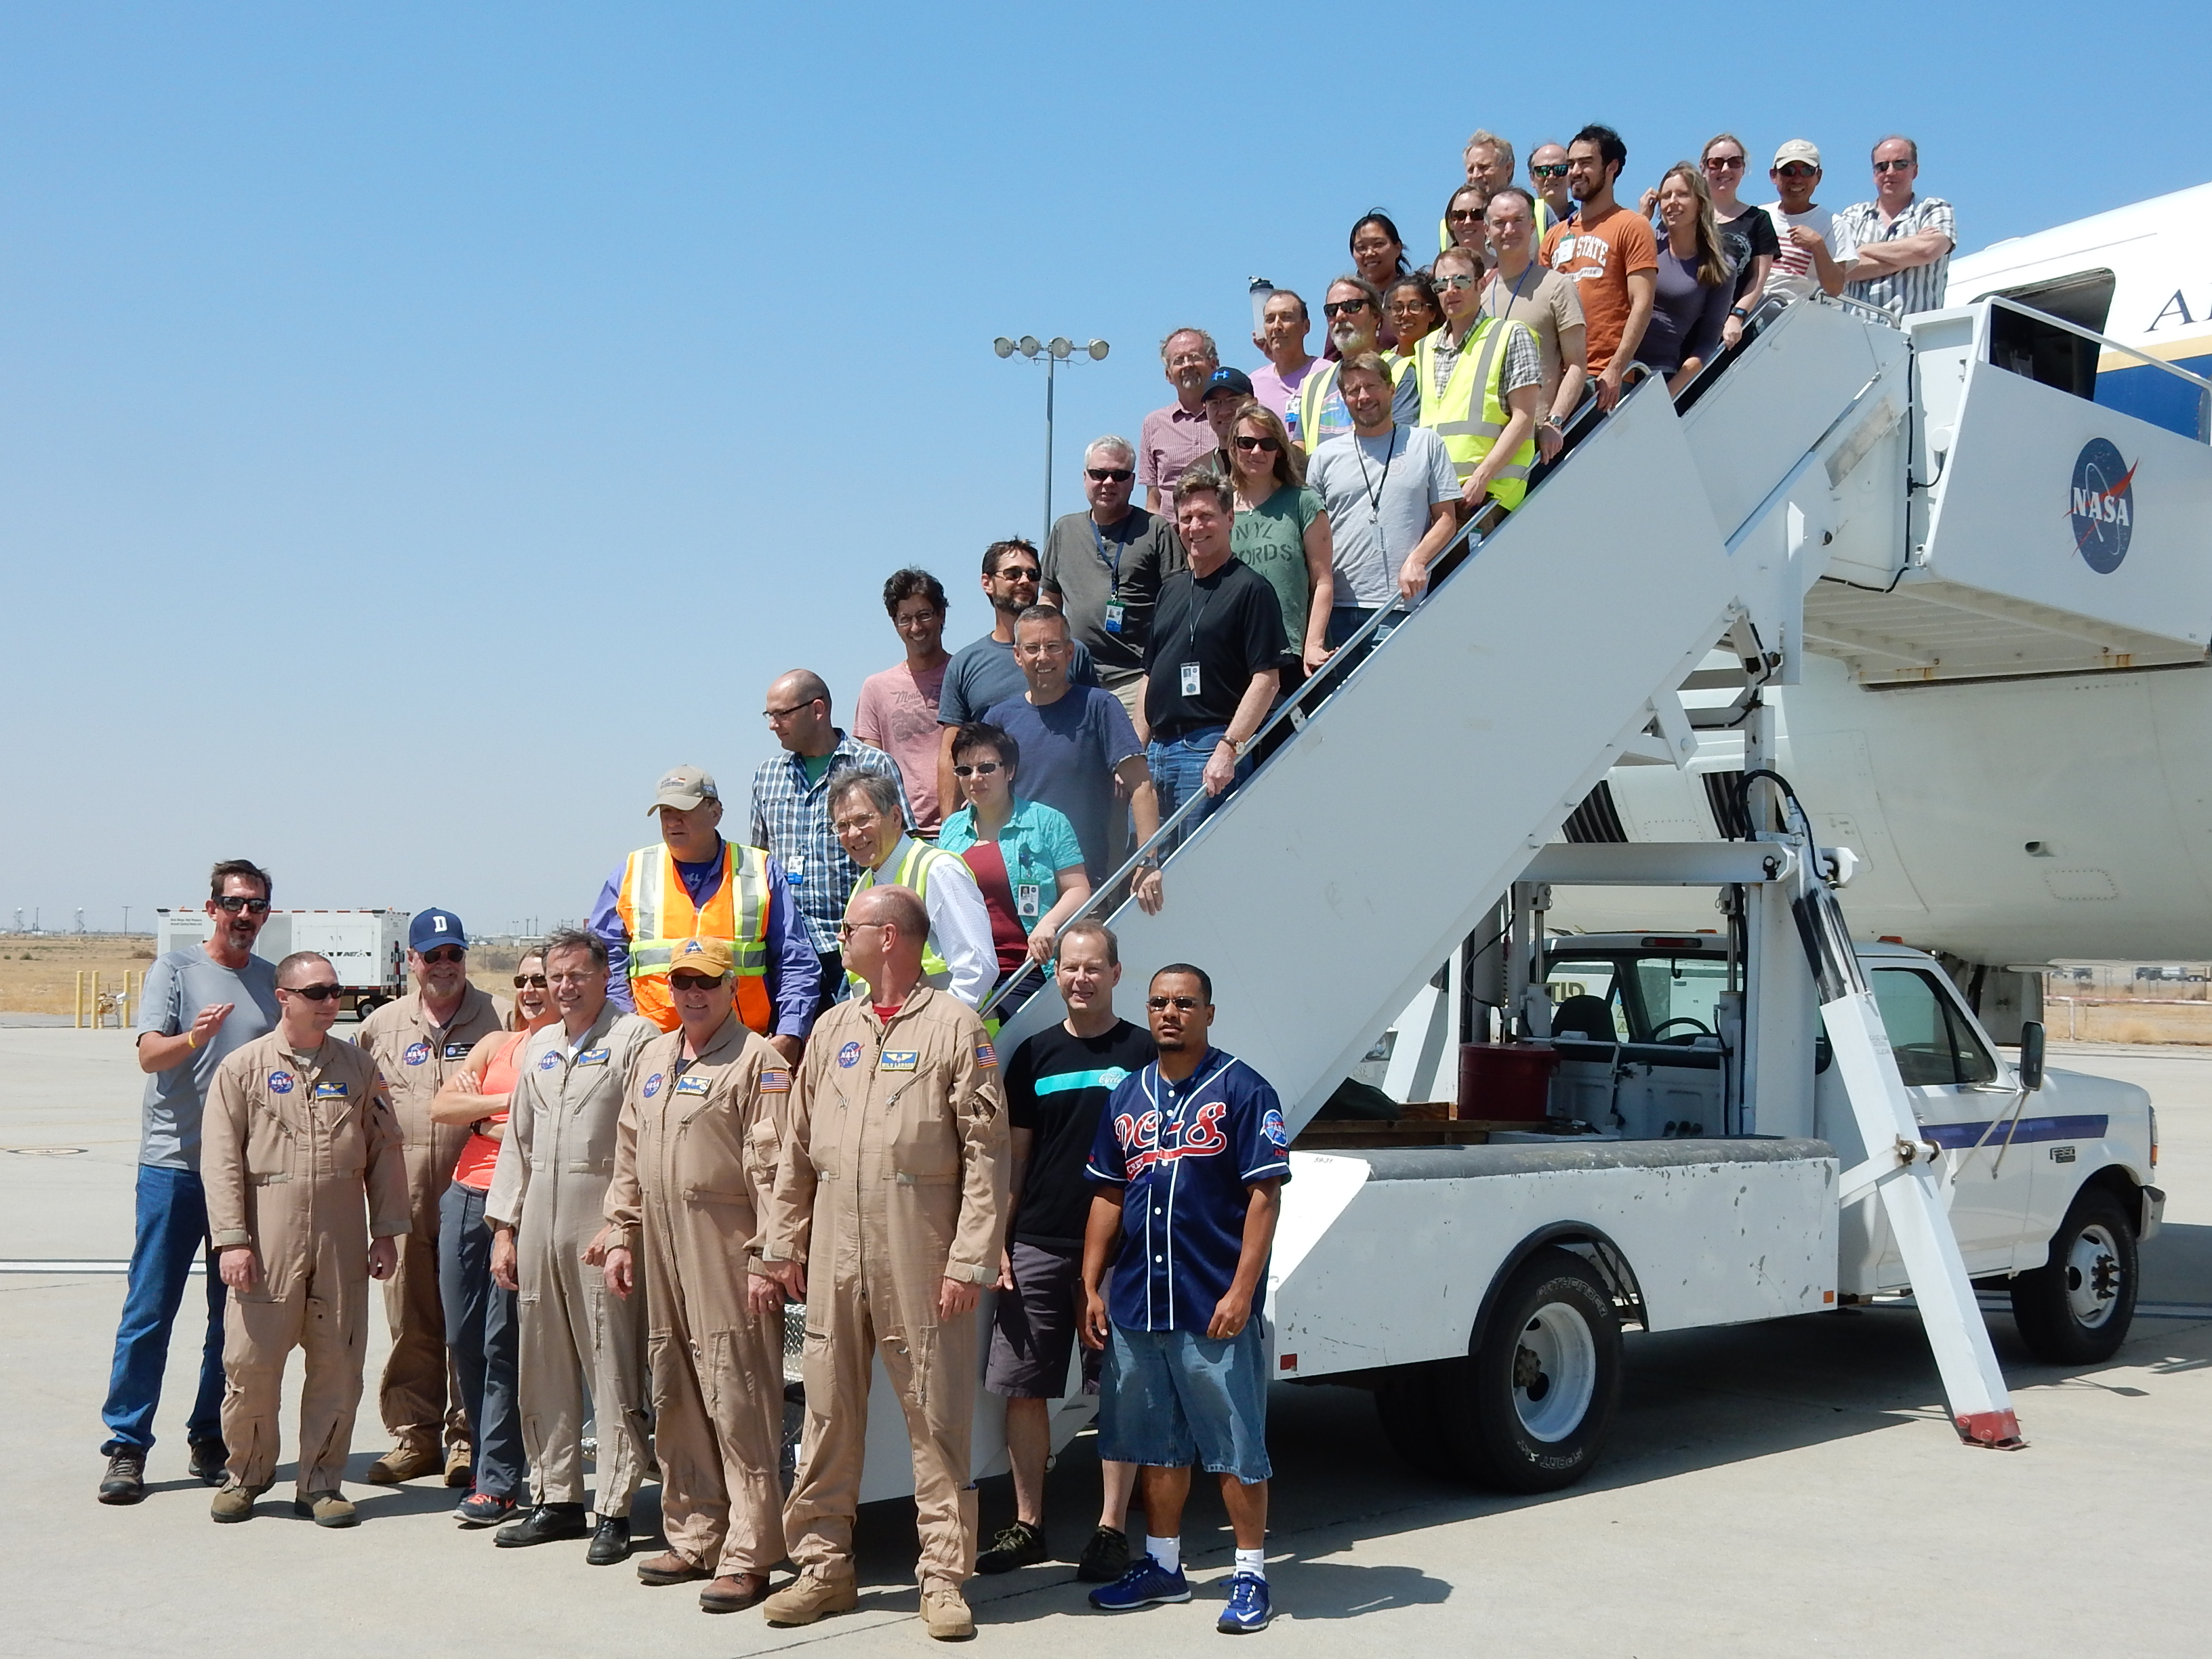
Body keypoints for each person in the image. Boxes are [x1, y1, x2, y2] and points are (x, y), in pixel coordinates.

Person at [752, 882, 1009, 1641]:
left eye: (852, 928)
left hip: (920, 1252)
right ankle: (825, 1570)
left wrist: (970, 1261)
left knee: (935, 1418)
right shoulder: (834, 1029)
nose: (842, 939)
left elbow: (987, 1155)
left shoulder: (956, 1028)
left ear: (890, 937)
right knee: (828, 1414)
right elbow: (796, 1150)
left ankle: (941, 1577)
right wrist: (781, 1246)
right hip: (835, 1249)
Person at [1081, 964, 1289, 1634]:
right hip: (1141, 1303)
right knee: (1155, 1446)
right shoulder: (1127, 1096)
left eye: (1185, 1003)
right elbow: (1109, 1194)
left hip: (1211, 1305)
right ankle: (1165, 1567)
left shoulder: (1245, 1089)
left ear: (1209, 1012)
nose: (1171, 1013)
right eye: (1160, 1003)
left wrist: (1242, 1289)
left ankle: (1251, 1573)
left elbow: (1264, 1196)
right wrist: (1091, 1283)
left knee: (1234, 1448)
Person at [600, 938, 792, 1615]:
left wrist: (772, 1254)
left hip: (726, 1242)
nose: (692, 994)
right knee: (675, 1386)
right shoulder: (655, 1055)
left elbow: (775, 1169)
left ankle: (750, 1551)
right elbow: (628, 1152)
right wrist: (622, 1234)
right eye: (681, 982)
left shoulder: (757, 1060)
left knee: (737, 1395)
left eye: (706, 982)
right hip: (660, 1240)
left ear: (731, 985)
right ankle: (695, 1532)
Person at [202, 950, 409, 1528]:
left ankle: (321, 1483)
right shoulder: (242, 1069)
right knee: (250, 1364)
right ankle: (246, 1475)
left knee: (337, 1364)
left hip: (340, 1238)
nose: (328, 1003)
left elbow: (384, 1152)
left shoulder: (359, 1068)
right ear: (283, 998)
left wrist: (387, 1232)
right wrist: (232, 1240)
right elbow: (220, 1162)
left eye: (334, 992)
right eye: (315, 992)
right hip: (266, 1238)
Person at [98, 859, 282, 1506]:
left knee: (229, 1316)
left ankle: (210, 1435)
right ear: (210, 908)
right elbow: (149, 1055)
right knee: (150, 1309)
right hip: (174, 1168)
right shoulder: (174, 972)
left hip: (242, 1177)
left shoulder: (269, 983)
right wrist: (193, 1038)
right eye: (234, 903)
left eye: (256, 906)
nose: (244, 916)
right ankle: (126, 1445)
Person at [974, 920, 1150, 1580]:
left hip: (1122, 1252)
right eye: (1069, 968)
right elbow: (1015, 1162)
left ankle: (1109, 1530)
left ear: (1114, 974)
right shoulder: (1034, 1055)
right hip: (1040, 1244)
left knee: (1121, 1389)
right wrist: (1001, 1240)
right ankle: (1029, 1526)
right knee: (1023, 1388)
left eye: (1092, 968)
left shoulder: (1143, 1054)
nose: (1079, 978)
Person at [484, 929, 659, 1565]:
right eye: (555, 976)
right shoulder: (541, 1046)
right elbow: (517, 1144)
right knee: (543, 1362)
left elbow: (643, 1139)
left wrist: (624, 1224)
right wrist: (504, 1228)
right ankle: (555, 1497)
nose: (563, 987)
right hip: (539, 1221)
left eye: (577, 975)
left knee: (611, 1364)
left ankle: (615, 1506)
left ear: (603, 975)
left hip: (599, 1222)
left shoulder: (634, 1039)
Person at [352, 907, 509, 1489]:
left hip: (476, 1197)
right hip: (406, 1196)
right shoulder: (382, 1027)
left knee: (470, 1324)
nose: (445, 965)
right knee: (411, 1319)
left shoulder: (497, 1017)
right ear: (411, 961)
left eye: (455, 954)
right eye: (433, 955)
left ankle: (467, 1437)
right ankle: (414, 1436)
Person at [427, 948, 557, 1528]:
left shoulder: (567, 1047)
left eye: (543, 981)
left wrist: (489, 1116)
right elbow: (443, 1106)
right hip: (465, 1197)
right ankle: (485, 1460)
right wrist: (500, 1106)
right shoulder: (496, 1045)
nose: (531, 990)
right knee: (464, 1337)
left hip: (522, 1207)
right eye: (524, 981)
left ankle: (501, 1479)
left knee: (504, 1342)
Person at [592, 764, 817, 1059]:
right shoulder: (632, 872)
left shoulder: (760, 870)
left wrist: (790, 1034)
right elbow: (602, 961)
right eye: (665, 813)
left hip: (745, 1050)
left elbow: (796, 960)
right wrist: (627, 1027)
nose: (673, 821)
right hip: (651, 1050)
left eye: (683, 811)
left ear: (715, 812)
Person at [1137, 467, 1286, 841]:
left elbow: (1267, 680)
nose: (1195, 526)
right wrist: (1133, 752)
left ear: (1230, 518)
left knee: (1201, 865)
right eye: (1186, 518)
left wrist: (1229, 748)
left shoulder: (1252, 589)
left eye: (1206, 516)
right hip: (1157, 752)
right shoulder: (1169, 591)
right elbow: (1149, 675)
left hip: (1208, 750)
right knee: (1147, 878)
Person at [750, 669, 909, 1010]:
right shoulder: (767, 777)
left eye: (782, 714)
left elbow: (900, 855)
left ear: (817, 709)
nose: (773, 724)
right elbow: (759, 862)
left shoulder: (873, 764)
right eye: (769, 715)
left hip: (852, 948)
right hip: (787, 952)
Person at [981, 605, 1164, 894]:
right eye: (1032, 648)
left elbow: (1142, 785)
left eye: (1053, 646)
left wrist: (1147, 861)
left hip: (1085, 884)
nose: (1043, 657)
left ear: (1070, 653)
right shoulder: (998, 719)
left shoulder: (1100, 707)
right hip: (1017, 883)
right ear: (1018, 656)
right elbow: (980, 801)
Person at [937, 539, 1101, 816]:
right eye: (1013, 574)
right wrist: (951, 830)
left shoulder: (1073, 653)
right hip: (996, 823)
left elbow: (1097, 733)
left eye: (1032, 574)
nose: (1025, 581)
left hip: (1073, 818)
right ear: (987, 583)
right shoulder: (965, 664)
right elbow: (950, 754)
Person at [1307, 354, 1458, 641]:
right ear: (1343, 398)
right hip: (1337, 612)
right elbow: (1313, 536)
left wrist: (1418, 560)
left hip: (1400, 608)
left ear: (1391, 389)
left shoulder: (1426, 444)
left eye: (1371, 386)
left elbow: (1447, 520)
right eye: (1353, 391)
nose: (1363, 397)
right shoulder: (1324, 457)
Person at [935, 722, 1092, 994]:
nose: (974, 778)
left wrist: (1048, 925)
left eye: (986, 768)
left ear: (1010, 771)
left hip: (1027, 968)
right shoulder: (950, 830)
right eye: (964, 770)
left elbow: (1078, 890)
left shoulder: (1048, 821)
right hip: (963, 971)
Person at [829, 769, 996, 1008]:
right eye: (843, 826)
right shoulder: (861, 891)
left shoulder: (939, 869)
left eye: (862, 819)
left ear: (896, 817)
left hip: (947, 1039)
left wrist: (941, 1028)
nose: (853, 833)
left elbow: (977, 969)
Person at [1041, 441, 1183, 720]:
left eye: (1118, 475)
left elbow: (1179, 603)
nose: (1108, 482)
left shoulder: (1156, 530)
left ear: (1131, 482)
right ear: (1084, 479)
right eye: (1098, 474)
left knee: (1132, 762)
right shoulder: (1064, 529)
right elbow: (1049, 600)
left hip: (1137, 680)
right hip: (1076, 681)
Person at [1541, 123, 1659, 411]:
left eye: (1586, 163)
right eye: (1571, 164)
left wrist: (1617, 368)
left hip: (1604, 381)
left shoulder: (1632, 225)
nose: (1576, 172)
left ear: (1611, 167)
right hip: (1556, 382)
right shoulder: (1554, 236)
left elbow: (1642, 303)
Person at [1418, 245, 1543, 514]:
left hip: (1490, 496)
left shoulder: (1512, 335)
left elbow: (1523, 418)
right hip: (1437, 497)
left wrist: (1482, 477)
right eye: (1441, 284)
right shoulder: (1424, 348)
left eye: (1461, 281)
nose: (1450, 290)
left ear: (1482, 283)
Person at [1226, 399, 1333, 686]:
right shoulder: (1217, 505)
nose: (1257, 451)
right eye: (1247, 443)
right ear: (1233, 447)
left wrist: (1313, 645)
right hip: (1229, 655)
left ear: (1280, 451)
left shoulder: (1303, 502)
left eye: (1268, 444)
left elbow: (1322, 581)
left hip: (1287, 656)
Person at [1482, 188, 1589, 461]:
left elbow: (1576, 364)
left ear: (1532, 227)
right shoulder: (1479, 297)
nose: (1509, 229)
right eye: (1499, 223)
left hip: (1538, 442)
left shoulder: (1557, 286)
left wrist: (1555, 421)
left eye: (1518, 221)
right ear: (1487, 230)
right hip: (1489, 445)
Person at [855, 568, 954, 834]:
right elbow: (870, 771)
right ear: (895, 623)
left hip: (963, 829)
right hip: (902, 834)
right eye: (905, 619)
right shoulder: (876, 688)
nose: (916, 628)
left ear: (941, 615)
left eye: (924, 615)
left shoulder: (965, 675)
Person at [1295, 276, 1420, 455]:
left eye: (1352, 307)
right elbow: (1300, 450)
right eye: (1331, 310)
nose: (1339, 316)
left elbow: (1406, 446)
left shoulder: (1402, 371)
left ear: (1377, 316)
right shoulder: (1314, 385)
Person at [1639, 162, 1734, 395]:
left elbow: (1707, 343)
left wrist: (1670, 391)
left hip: (1658, 376)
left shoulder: (1720, 266)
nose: (1673, 202)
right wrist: (1641, 220)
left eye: (1682, 195)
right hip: (1613, 364)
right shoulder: (1644, 243)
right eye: (1666, 195)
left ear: (1700, 203)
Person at [1833, 136, 1955, 319]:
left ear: (1915, 170)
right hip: (1857, 338)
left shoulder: (1935, 209)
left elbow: (1927, 250)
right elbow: (1842, 268)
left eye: (1900, 164)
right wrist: (1908, 256)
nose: (1890, 172)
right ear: (1874, 174)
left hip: (1914, 340)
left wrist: (1864, 250)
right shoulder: (1853, 215)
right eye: (1882, 166)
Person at [1700, 132, 1779, 349]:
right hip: (1682, 327)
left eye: (1734, 162)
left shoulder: (1758, 220)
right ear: (1703, 168)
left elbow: (1758, 280)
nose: (1725, 170)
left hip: (1728, 334)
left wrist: (1737, 317)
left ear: (1743, 169)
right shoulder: (1688, 216)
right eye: (1716, 163)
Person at [1139, 328, 1223, 518]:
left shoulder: (1230, 419)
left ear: (1214, 364)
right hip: (1171, 538)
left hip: (1223, 535)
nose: (1187, 365)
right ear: (1168, 375)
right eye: (1179, 360)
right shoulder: (1153, 424)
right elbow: (1153, 501)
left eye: (1194, 357)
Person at [1761, 140, 1848, 304]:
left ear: (1818, 176)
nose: (1797, 179)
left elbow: (1835, 289)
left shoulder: (1833, 224)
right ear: (1774, 176)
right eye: (1789, 171)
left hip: (1799, 318)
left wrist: (1817, 246)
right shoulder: (1759, 217)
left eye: (1807, 171)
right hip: (1752, 313)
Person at [1247, 289, 1323, 446]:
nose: (1277, 326)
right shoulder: (1253, 384)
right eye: (1270, 319)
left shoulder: (1328, 374)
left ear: (1306, 327)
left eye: (1286, 318)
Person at [1347, 212, 1410, 351]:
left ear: (1398, 248)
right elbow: (1332, 360)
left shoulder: (1415, 297)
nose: (1369, 253)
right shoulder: (1347, 305)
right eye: (1361, 248)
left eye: (1378, 244)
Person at [1195, 365, 1256, 482]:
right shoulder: (1196, 473)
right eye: (1215, 403)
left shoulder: (1272, 458)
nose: (1224, 412)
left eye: (1233, 401)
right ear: (1205, 410)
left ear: (1253, 403)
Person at [1382, 272, 1445, 375]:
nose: (1405, 314)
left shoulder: (1444, 360)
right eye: (1397, 308)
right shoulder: (1382, 365)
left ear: (1432, 314)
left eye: (1415, 306)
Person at [1527, 141, 1572, 235]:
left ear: (1571, 175)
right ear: (1532, 179)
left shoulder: (1587, 221)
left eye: (1559, 170)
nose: (1551, 176)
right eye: (1543, 171)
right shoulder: (1520, 224)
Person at [1440, 182, 1490, 255]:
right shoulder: (1440, 266)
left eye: (1476, 214)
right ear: (1450, 223)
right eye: (1459, 216)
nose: (1468, 221)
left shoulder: (1505, 265)